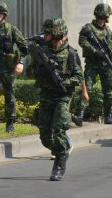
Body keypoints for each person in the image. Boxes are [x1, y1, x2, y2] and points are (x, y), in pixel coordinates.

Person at [30, 18, 83, 181]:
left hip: (62, 96)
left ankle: (59, 163)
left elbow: (79, 76)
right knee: (45, 137)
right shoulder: (42, 51)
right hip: (46, 95)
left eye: (47, 33)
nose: (44, 36)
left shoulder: (71, 53)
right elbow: (30, 71)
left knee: (58, 129)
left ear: (56, 35)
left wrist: (66, 82)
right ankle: (62, 151)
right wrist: (39, 71)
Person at [0, 1, 29, 133]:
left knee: (9, 95)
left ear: (4, 15)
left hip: (8, 67)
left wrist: (20, 62)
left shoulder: (11, 29)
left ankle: (10, 122)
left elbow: (24, 47)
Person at [78, 3, 112, 125]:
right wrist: (95, 51)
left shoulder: (108, 31)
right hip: (92, 64)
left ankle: (108, 116)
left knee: (108, 92)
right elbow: (82, 41)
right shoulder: (88, 28)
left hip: (106, 65)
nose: (104, 19)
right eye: (103, 16)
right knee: (87, 88)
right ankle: (80, 115)